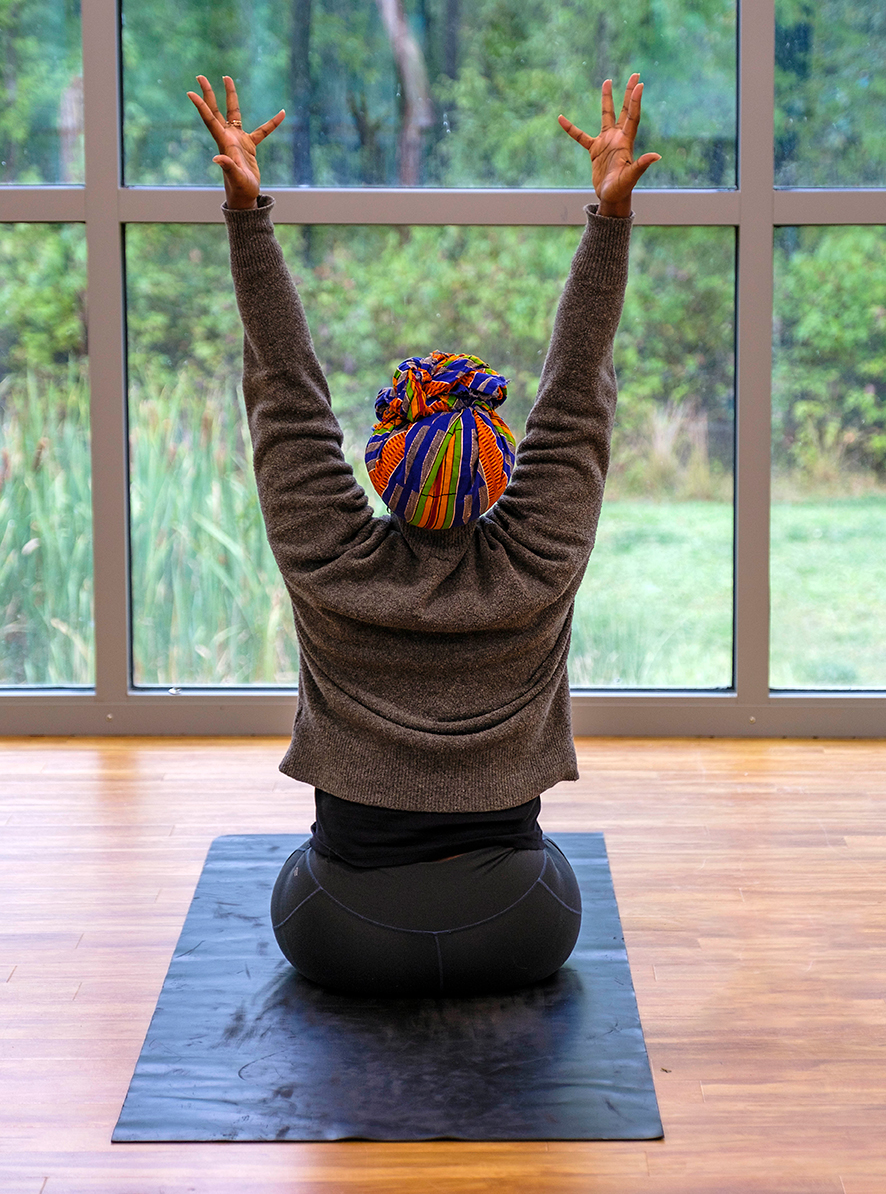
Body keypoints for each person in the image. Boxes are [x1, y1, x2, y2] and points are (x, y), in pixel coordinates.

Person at [188, 73, 660, 997]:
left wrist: (248, 214)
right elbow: (576, 395)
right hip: (520, 923)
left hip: (337, 930)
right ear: (497, 469)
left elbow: (285, 392)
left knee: (286, 878)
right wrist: (607, 222)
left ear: (378, 464)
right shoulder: (539, 562)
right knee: (565, 874)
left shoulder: (328, 561)